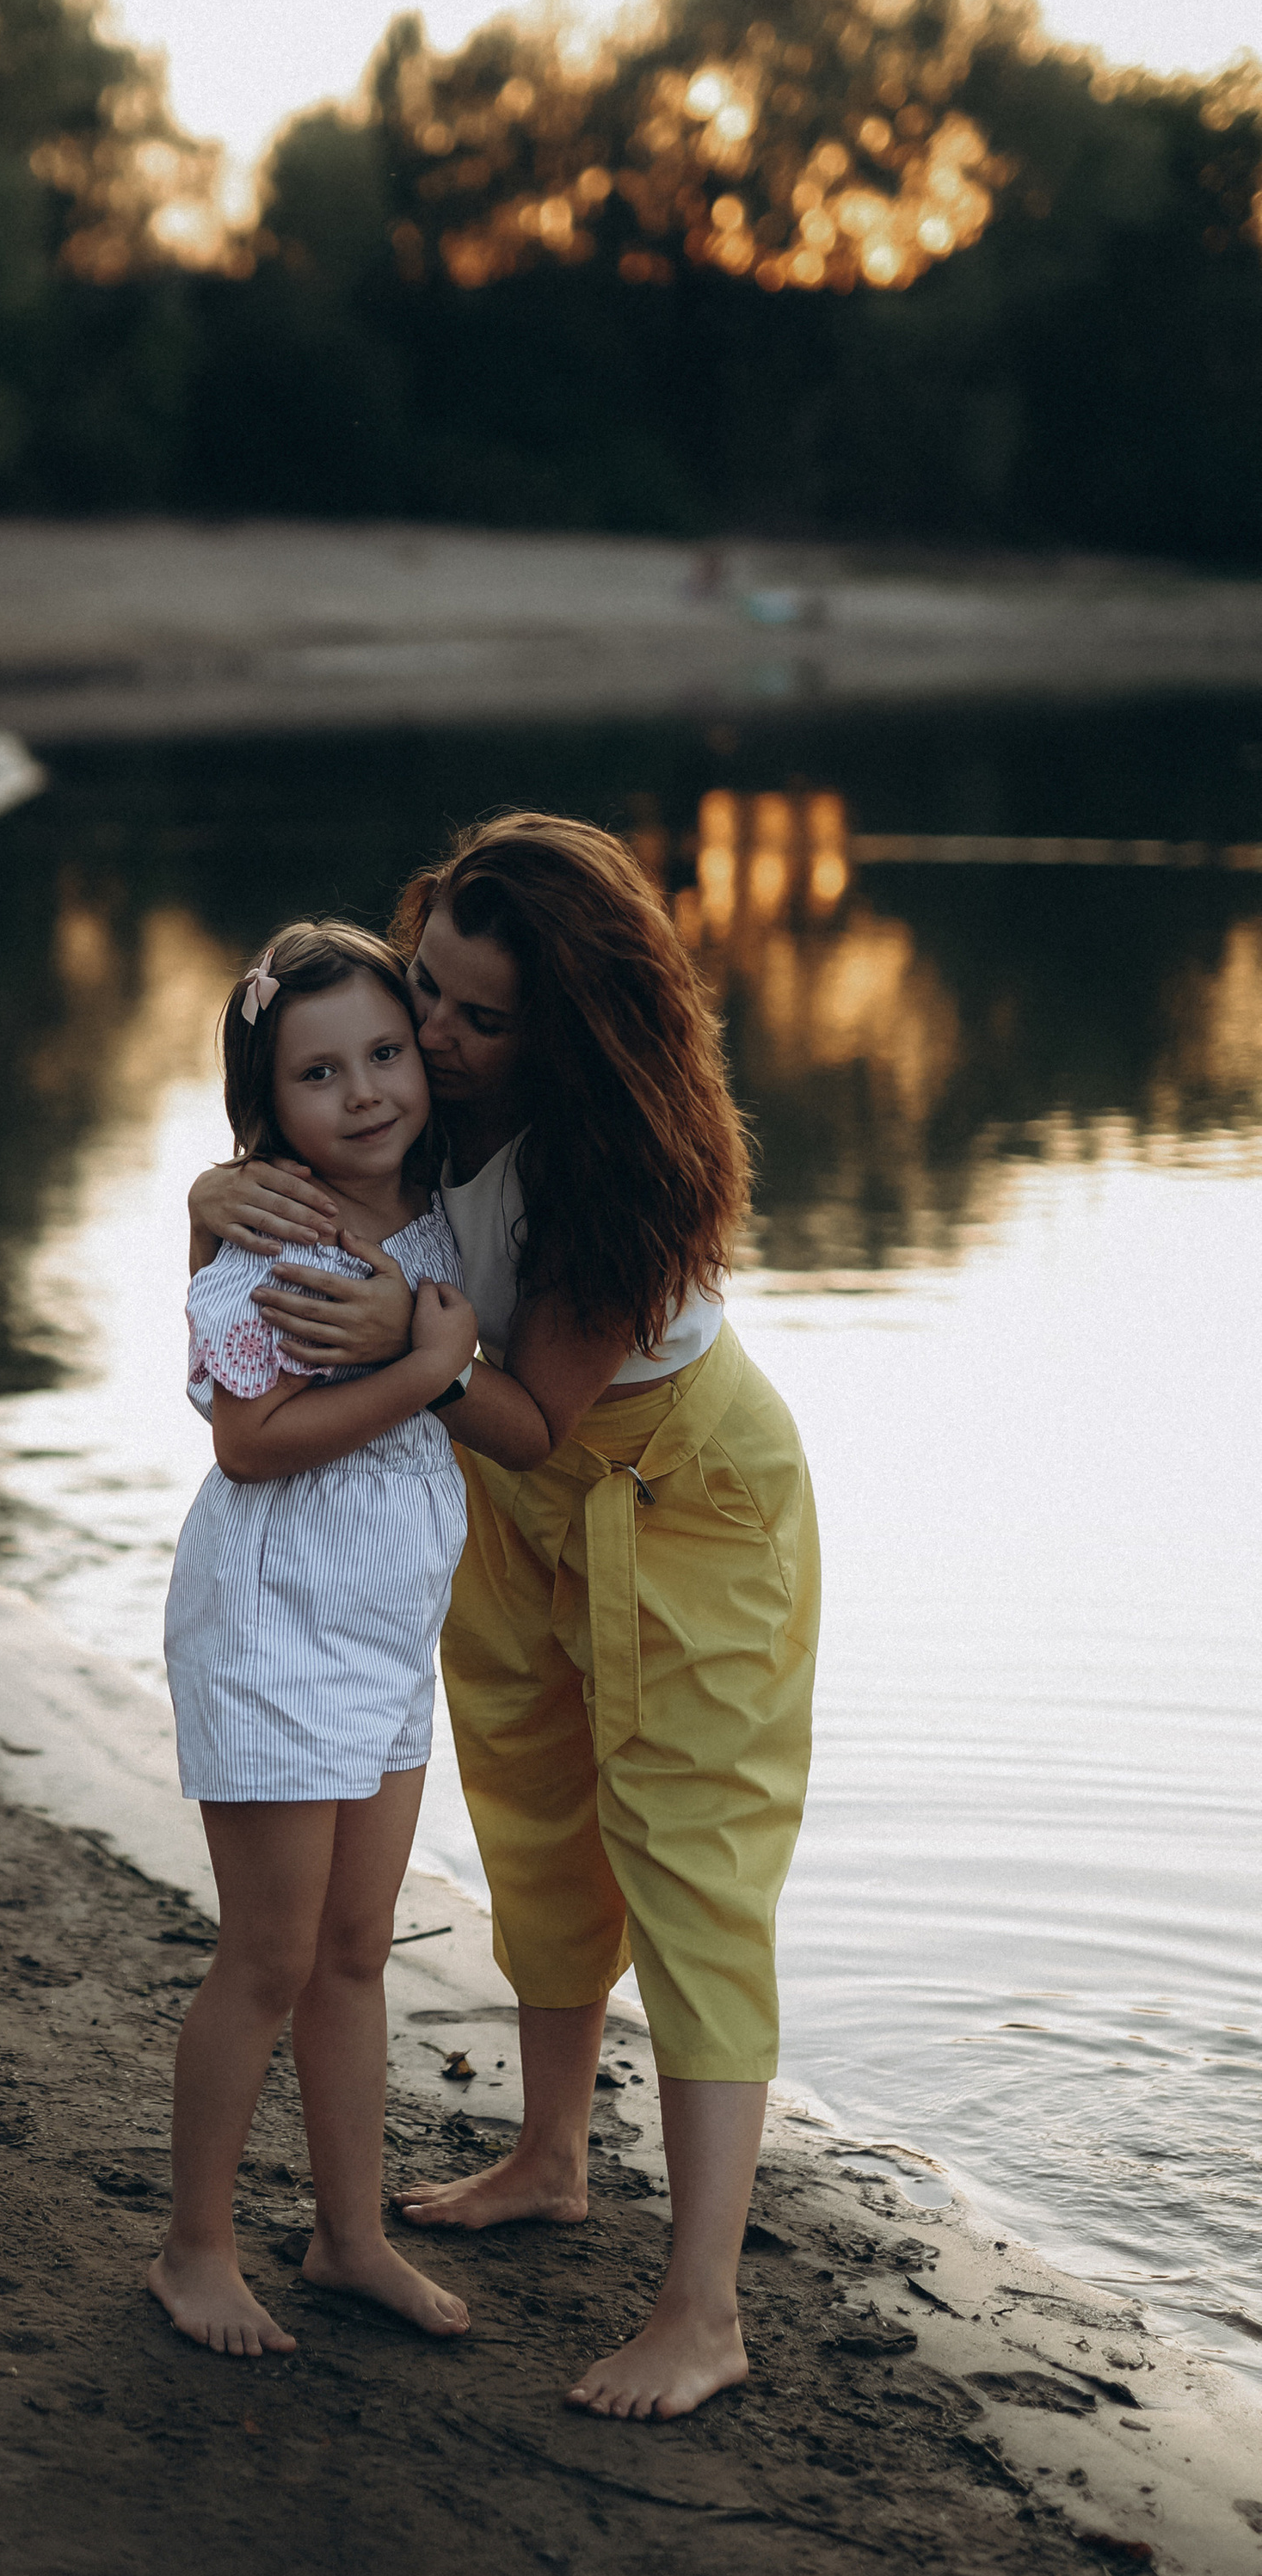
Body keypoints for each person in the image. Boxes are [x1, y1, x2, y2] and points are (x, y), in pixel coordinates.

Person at [188, 816, 818, 2420]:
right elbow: (294, 1177)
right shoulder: (411, 1108)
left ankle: (704, 2307)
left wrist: (414, 1338)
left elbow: (532, 1405)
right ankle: (550, 2156)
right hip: (488, 1484)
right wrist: (221, 1179)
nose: (442, 1047)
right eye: (432, 1002)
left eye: (482, 1019)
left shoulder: (627, 1165)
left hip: (673, 1491)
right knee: (535, 1825)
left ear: (578, 1023)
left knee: (691, 1860)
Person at [151, 919, 551, 2359]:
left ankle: (349, 2234)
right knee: (264, 1957)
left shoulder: (435, 1213)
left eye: (389, 1052)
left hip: (382, 1633)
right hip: (271, 1629)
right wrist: (428, 1364)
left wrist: (442, 1357)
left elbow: (518, 1417)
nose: (370, 1090)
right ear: (272, 1112)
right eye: (323, 1073)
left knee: (359, 1951)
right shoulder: (280, 1234)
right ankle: (194, 2248)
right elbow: (254, 1446)